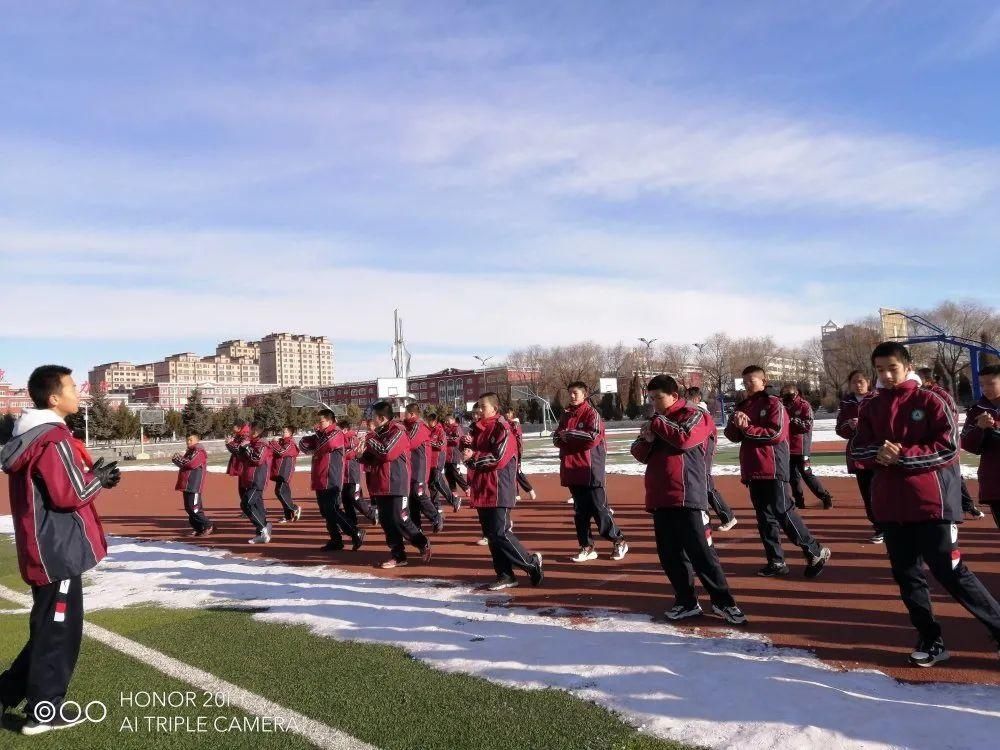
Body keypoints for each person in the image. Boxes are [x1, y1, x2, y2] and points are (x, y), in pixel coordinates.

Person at [850, 343, 1000, 667]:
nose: (886, 375)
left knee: (951, 572)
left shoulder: (933, 398)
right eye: (879, 370)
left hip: (932, 504)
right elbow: (857, 449)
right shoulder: (871, 406)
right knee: (907, 576)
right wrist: (878, 453)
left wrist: (901, 455)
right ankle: (930, 638)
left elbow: (948, 448)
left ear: (907, 365)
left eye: (892, 368)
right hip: (891, 507)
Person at [0, 365, 120, 735]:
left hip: (44, 547)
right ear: (54, 398)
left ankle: (6, 693)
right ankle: (45, 710)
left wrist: (93, 478)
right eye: (71, 387)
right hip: (58, 551)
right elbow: (70, 494)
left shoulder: (34, 436)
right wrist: (100, 478)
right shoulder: (52, 437)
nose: (77, 393)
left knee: (47, 628)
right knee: (58, 632)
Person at [632, 376, 747, 624]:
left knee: (702, 553)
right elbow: (638, 453)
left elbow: (685, 438)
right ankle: (686, 601)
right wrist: (646, 439)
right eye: (650, 399)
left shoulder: (693, 414)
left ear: (674, 395)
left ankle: (724, 603)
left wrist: (656, 424)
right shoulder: (657, 422)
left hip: (688, 493)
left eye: (658, 398)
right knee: (670, 555)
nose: (654, 403)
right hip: (661, 496)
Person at [725, 366, 831, 578]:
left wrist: (747, 428)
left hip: (773, 467)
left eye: (751, 382)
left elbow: (775, 433)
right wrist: (737, 426)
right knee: (764, 517)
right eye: (744, 382)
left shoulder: (774, 404)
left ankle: (814, 550)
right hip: (753, 469)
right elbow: (732, 435)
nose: (747, 386)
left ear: (764, 381)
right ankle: (776, 561)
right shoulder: (743, 405)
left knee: (783, 511)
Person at [465, 392, 543, 590]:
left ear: (494, 408)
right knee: (491, 535)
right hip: (482, 487)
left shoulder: (503, 428)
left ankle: (531, 562)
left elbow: (497, 458)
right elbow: (467, 451)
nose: (479, 410)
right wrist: (464, 447)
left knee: (501, 533)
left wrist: (473, 456)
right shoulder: (475, 428)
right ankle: (505, 575)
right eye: (478, 407)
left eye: (483, 406)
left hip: (499, 487)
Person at [553, 381, 628, 562]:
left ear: (584, 394)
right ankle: (586, 546)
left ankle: (618, 540)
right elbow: (556, 437)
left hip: (590, 469)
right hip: (572, 470)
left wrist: (569, 435)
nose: (571, 396)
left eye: (575, 392)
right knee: (580, 512)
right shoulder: (565, 414)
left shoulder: (591, 413)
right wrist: (563, 437)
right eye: (569, 392)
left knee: (599, 509)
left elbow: (592, 437)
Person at [360, 401, 431, 569]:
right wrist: (360, 454)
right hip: (381, 483)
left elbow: (386, 452)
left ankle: (422, 542)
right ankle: (398, 555)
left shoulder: (397, 431)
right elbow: (372, 458)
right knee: (387, 522)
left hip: (397, 483)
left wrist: (369, 438)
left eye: (373, 417)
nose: (371, 421)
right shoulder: (378, 433)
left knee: (401, 519)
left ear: (381, 418)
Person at [916, 367, 985, 519]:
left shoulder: (940, 395)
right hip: (927, 443)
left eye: (919, 377)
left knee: (952, 474)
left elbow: (950, 418)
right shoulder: (919, 395)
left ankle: (964, 507)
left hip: (944, 442)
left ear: (928, 379)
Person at [298, 410, 365, 552]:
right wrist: (316, 440)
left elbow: (324, 446)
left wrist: (316, 442)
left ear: (330, 421)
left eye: (321, 422)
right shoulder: (320, 435)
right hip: (320, 477)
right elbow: (302, 444)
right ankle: (336, 540)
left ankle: (355, 531)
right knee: (325, 512)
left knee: (332, 509)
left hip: (331, 478)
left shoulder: (336, 433)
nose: (318, 425)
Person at [836, 370, 881, 543]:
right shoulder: (846, 403)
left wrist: (865, 425)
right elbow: (840, 430)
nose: (858, 384)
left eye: (861, 381)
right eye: (854, 381)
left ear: (868, 382)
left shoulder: (878, 399)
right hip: (858, 456)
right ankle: (878, 527)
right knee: (867, 494)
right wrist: (849, 425)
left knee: (881, 492)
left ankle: (890, 526)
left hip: (878, 455)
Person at [687, 387, 737, 531]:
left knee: (707, 486)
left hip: (702, 454)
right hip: (699, 453)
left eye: (687, 397)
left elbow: (707, 436)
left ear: (696, 399)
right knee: (701, 486)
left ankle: (728, 516)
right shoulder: (697, 412)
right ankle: (709, 517)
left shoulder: (701, 413)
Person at [780, 384, 834, 510]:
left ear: (796, 393)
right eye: (785, 395)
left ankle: (825, 496)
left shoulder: (804, 405)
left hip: (802, 449)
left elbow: (807, 425)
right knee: (793, 477)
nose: (787, 397)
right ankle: (799, 501)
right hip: (788, 448)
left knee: (807, 473)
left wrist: (792, 420)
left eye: (790, 394)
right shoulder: (783, 406)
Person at [961, 364, 1000, 529]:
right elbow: (968, 445)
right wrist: (980, 429)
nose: (986, 388)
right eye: (982, 384)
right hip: (995, 481)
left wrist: (996, 427)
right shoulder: (976, 411)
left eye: (991, 384)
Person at [402, 404, 444, 533]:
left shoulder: (418, 426)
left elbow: (409, 442)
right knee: (411, 497)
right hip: (410, 467)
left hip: (420, 466)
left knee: (418, 493)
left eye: (406, 413)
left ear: (412, 414)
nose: (404, 416)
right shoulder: (407, 426)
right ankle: (416, 526)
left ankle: (436, 516)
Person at [237, 421, 274, 544]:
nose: (248, 433)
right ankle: (261, 532)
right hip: (249, 479)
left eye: (250, 431)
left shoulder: (262, 444)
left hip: (257, 480)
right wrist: (241, 448)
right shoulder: (252, 443)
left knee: (246, 504)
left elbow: (257, 459)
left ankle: (263, 527)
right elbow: (242, 458)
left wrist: (247, 448)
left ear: (256, 432)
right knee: (258, 508)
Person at [172, 431, 214, 536]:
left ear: (197, 440)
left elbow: (190, 463)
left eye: (191, 440)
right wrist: (178, 460)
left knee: (195, 508)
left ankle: (208, 525)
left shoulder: (199, 451)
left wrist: (178, 459)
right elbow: (185, 464)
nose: (188, 442)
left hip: (194, 484)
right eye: (187, 440)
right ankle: (199, 528)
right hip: (187, 483)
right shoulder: (190, 451)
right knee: (189, 508)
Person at [339, 418, 378, 527]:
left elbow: (352, 453)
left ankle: (371, 514)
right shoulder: (340, 439)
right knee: (345, 498)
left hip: (352, 473)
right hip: (343, 474)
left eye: (339, 429)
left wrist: (340, 454)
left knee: (355, 496)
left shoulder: (353, 438)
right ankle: (352, 521)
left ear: (345, 429)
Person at [268, 425, 302, 524]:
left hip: (284, 472)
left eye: (285, 432)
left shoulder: (290, 443)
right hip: (279, 471)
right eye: (282, 431)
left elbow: (281, 452)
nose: (283, 433)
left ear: (290, 434)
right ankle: (288, 516)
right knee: (283, 493)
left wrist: (274, 442)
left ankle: (294, 508)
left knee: (280, 492)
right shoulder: (282, 442)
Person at [426, 412, 459, 512]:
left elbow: (441, 445)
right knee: (431, 484)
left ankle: (454, 500)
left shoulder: (441, 431)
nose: (428, 422)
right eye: (427, 420)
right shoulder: (428, 431)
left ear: (434, 421)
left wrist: (429, 442)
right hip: (429, 461)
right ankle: (437, 505)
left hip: (438, 460)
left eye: (430, 421)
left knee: (437, 481)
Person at [505, 407, 537, 501]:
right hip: (507, 453)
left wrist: (519, 453)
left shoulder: (515, 424)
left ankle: (530, 489)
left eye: (509, 413)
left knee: (517, 472)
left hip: (515, 453)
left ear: (512, 414)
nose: (507, 415)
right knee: (510, 473)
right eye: (506, 413)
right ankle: (516, 493)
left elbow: (518, 439)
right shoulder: (505, 424)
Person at [443, 414, 469, 495]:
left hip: (454, 455)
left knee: (456, 473)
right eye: (445, 421)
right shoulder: (446, 429)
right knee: (448, 474)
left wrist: (446, 439)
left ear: (453, 420)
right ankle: (453, 491)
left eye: (448, 420)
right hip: (446, 455)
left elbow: (456, 439)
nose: (446, 422)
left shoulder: (456, 428)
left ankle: (466, 488)